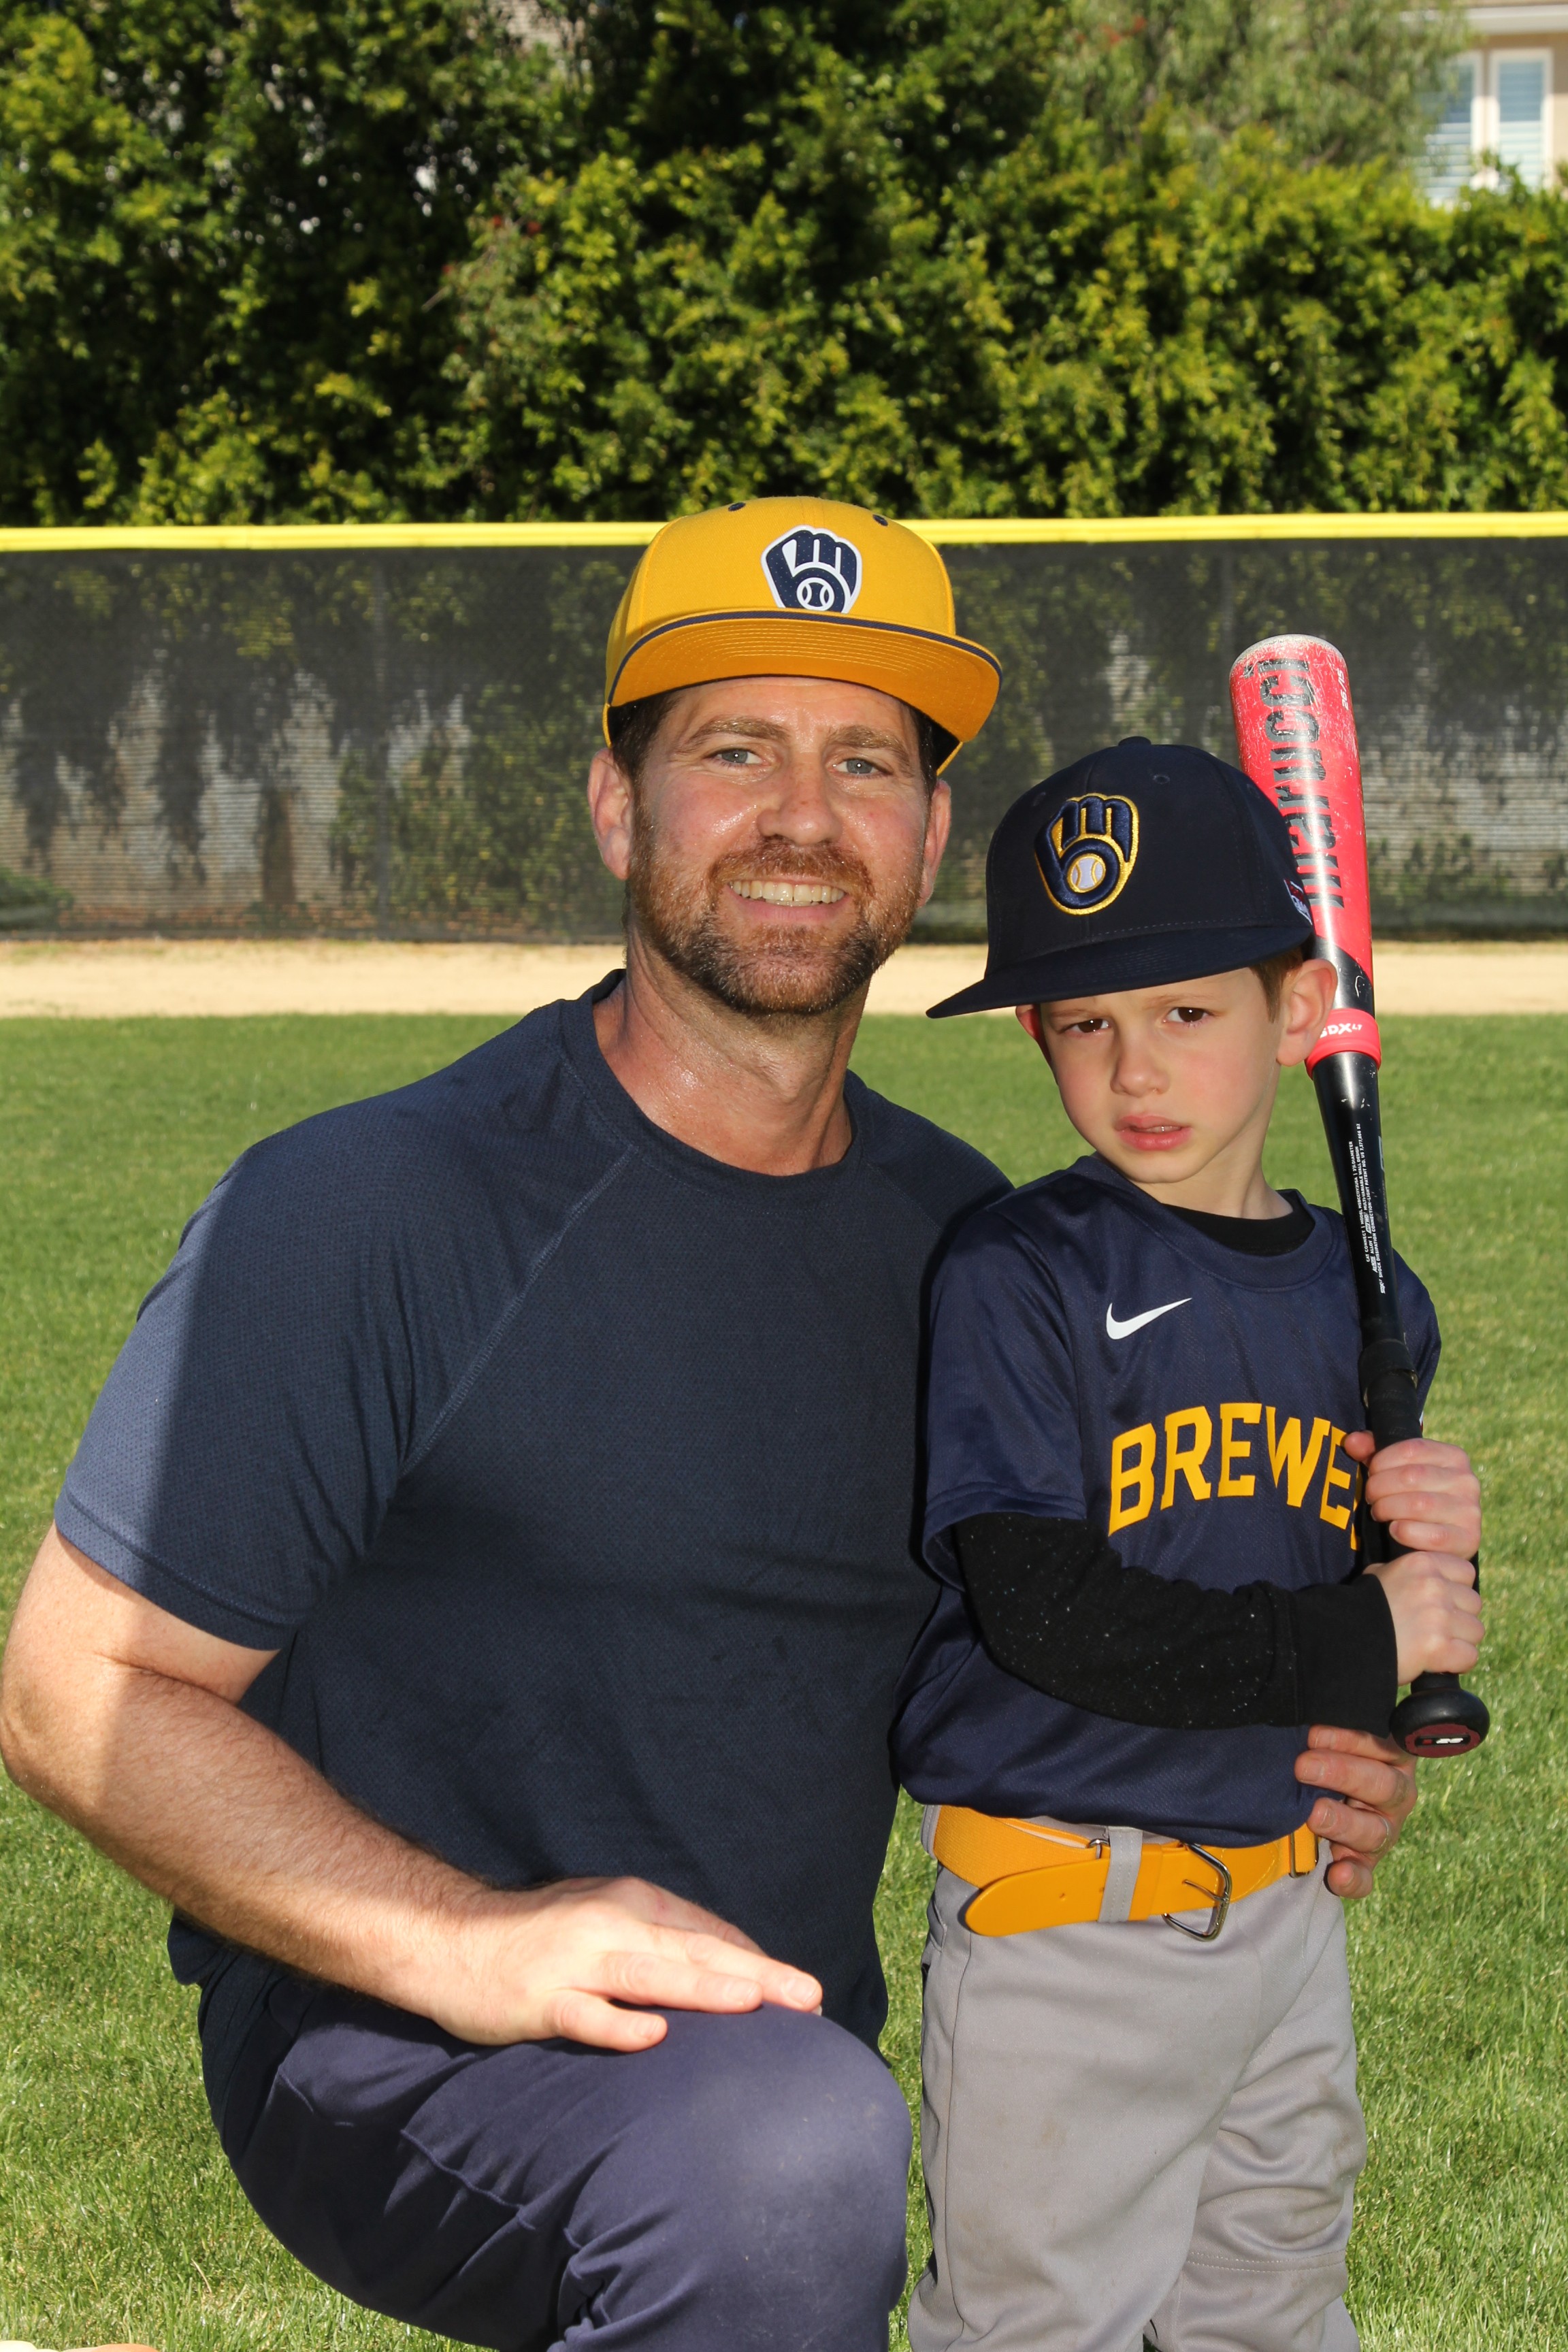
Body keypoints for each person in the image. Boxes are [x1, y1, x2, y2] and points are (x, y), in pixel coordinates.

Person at [2, 509, 1426, 2352]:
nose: (801, 816)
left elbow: (1056, 1625)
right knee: (779, 2165)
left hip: (768, 2033)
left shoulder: (982, 1254)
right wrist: (466, 1942)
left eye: (865, 763)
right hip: (392, 2024)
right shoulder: (371, 1209)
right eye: (735, 751)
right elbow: (76, 1691)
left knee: (813, 2146)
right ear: (618, 808)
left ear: (928, 835)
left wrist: (1290, 1740)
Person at [892, 738, 1485, 2352]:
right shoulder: (1024, 1273)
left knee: (1275, 2313)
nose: (1135, 1069)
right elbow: (1042, 1610)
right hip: (1068, 1925)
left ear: (1301, 1010)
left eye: (1187, 1013)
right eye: (1085, 1023)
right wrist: (1369, 1633)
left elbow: (1345, 1586)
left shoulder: (1373, 1298)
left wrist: (1435, 1564)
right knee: (1036, 2327)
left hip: (1286, 1916)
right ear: (1037, 1036)